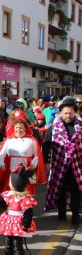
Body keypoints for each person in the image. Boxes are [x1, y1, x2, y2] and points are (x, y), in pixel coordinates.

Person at [43, 96, 82, 225]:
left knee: (75, 189)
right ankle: (61, 213)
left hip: (77, 164)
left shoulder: (80, 127)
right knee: (60, 188)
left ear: (75, 112)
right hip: (59, 163)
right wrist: (46, 161)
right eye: (65, 113)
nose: (68, 115)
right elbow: (46, 145)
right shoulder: (54, 128)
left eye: (71, 113)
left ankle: (76, 214)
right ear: (61, 113)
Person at [0, 164, 37, 255]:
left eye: (10, 182)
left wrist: (25, 225)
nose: (9, 183)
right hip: (9, 221)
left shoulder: (25, 198)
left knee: (18, 243)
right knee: (8, 241)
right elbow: (4, 204)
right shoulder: (9, 195)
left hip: (18, 222)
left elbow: (28, 213)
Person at [0, 111, 46, 196]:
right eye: (17, 128)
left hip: (27, 168)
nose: (18, 130)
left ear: (25, 128)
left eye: (21, 128)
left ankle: (26, 206)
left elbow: (37, 155)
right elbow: (1, 154)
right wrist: (1, 163)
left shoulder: (31, 140)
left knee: (26, 190)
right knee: (10, 190)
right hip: (11, 169)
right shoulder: (9, 140)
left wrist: (34, 163)